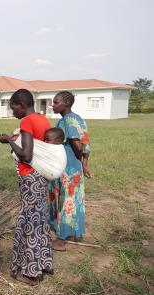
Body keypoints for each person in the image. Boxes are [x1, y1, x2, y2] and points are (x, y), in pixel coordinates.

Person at [0, 89, 53, 286]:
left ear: (21, 105)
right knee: (39, 220)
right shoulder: (43, 119)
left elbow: (27, 155)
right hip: (41, 176)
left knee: (30, 222)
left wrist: (10, 141)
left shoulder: (27, 121)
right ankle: (43, 263)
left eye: (13, 108)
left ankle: (31, 273)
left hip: (30, 176)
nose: (12, 112)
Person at [49, 91, 91, 251]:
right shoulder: (78, 118)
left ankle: (61, 240)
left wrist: (75, 159)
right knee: (73, 201)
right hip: (75, 167)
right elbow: (87, 145)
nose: (53, 105)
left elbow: (78, 145)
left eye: (55, 102)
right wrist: (84, 165)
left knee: (66, 202)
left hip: (68, 168)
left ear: (66, 103)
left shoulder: (68, 120)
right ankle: (72, 233)